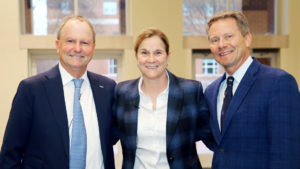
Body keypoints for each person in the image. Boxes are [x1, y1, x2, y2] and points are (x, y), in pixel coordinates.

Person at [0, 16, 116, 169]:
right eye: (70, 41)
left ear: (93, 48)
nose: (77, 48)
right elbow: (9, 156)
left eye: (85, 42)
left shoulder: (108, 89)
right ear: (57, 45)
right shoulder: (31, 89)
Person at [204, 10, 300, 169]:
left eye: (228, 36)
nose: (221, 44)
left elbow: (287, 156)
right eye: (215, 39)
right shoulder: (211, 92)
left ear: (247, 39)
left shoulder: (279, 83)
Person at [113, 28, 213, 169]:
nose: (151, 59)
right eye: (144, 53)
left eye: (158, 53)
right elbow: (109, 135)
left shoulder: (190, 91)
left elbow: (208, 135)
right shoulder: (122, 92)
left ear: (168, 56)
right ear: (136, 56)